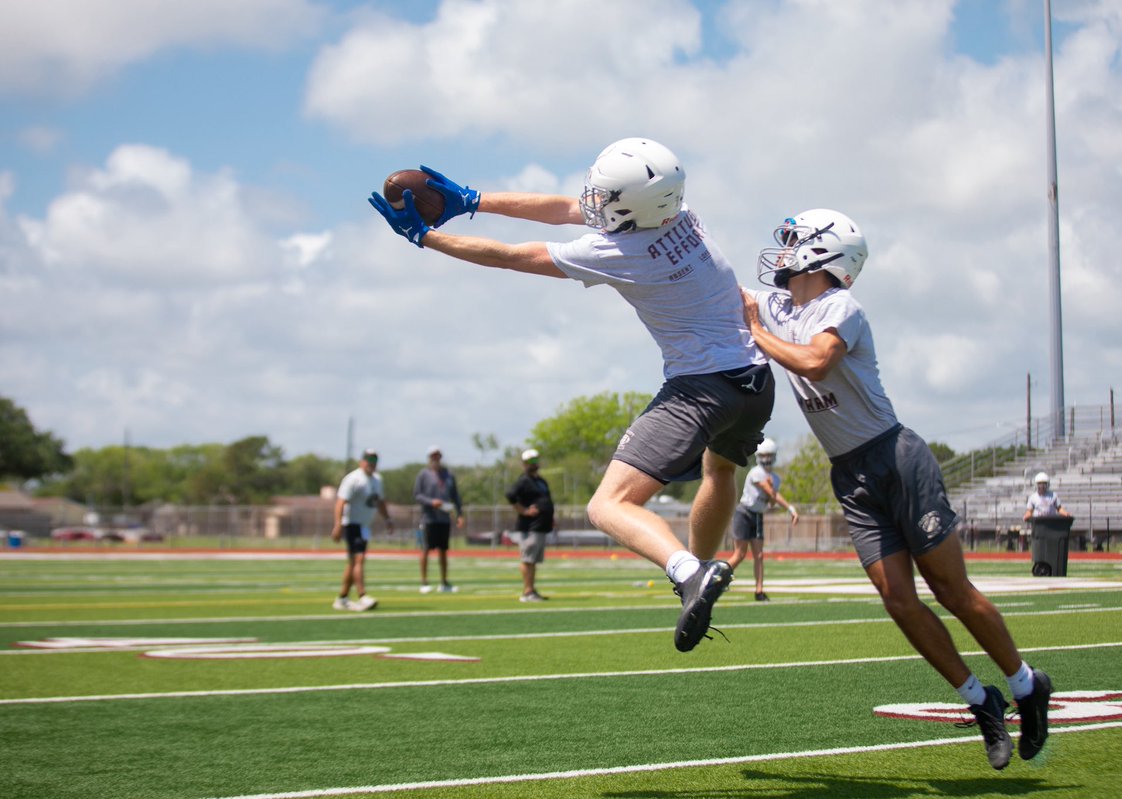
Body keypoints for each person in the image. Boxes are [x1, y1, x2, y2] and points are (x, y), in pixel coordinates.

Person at [370, 138, 774, 652]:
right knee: (719, 472)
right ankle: (697, 580)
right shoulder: (682, 214)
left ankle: (689, 572)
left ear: (628, 205)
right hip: (756, 381)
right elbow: (565, 209)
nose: (591, 198)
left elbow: (512, 256)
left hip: (702, 386)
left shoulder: (619, 249)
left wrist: (426, 237)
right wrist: (473, 199)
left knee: (607, 505)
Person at [741, 208, 1052, 770]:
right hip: (849, 473)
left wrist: (757, 335)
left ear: (823, 252)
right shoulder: (779, 305)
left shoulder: (841, 307)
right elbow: (716, 286)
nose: (783, 253)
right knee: (897, 599)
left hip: (895, 458)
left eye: (793, 243)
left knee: (952, 591)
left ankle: (1027, 685)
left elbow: (814, 362)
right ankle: (980, 702)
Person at [728, 437, 798, 601]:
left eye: (769, 455)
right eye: (764, 455)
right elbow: (768, 491)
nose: (766, 459)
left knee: (759, 556)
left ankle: (759, 591)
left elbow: (772, 501)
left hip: (758, 516)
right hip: (744, 513)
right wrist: (790, 508)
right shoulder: (756, 472)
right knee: (739, 554)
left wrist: (773, 491)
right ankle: (716, 578)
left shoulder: (775, 478)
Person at [331, 449, 393, 611]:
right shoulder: (353, 479)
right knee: (359, 559)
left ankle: (342, 598)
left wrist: (387, 519)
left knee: (353, 563)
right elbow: (340, 502)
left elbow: (379, 502)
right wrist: (338, 525)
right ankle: (362, 595)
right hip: (352, 524)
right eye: (368, 460)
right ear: (361, 461)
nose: (370, 463)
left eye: (374, 460)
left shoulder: (377, 480)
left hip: (364, 526)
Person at [505, 448, 555, 602]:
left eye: (535, 460)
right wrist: (524, 511)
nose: (534, 464)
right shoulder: (524, 480)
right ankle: (527, 592)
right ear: (525, 463)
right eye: (530, 461)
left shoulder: (540, 481)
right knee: (527, 559)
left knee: (533, 560)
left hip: (541, 526)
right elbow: (510, 495)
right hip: (529, 527)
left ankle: (532, 590)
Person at [414, 445, 464, 593]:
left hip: (444, 519)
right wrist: (432, 502)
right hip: (429, 518)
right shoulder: (423, 474)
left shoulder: (448, 474)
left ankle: (444, 582)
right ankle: (424, 582)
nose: (435, 458)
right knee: (426, 549)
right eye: (433, 456)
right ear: (429, 458)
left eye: (438, 456)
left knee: (443, 550)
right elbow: (417, 495)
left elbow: (456, 496)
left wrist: (460, 513)